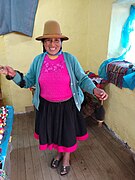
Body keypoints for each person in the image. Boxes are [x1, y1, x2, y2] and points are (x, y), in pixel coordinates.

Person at [0, 20, 108, 176]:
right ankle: (58, 154)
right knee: (54, 133)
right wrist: (13, 75)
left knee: (67, 134)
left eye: (56, 40)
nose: (52, 44)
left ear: (61, 42)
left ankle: (66, 159)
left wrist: (94, 89)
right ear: (43, 43)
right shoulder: (38, 61)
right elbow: (28, 81)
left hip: (68, 106)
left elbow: (82, 79)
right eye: (48, 40)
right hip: (47, 107)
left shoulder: (70, 59)